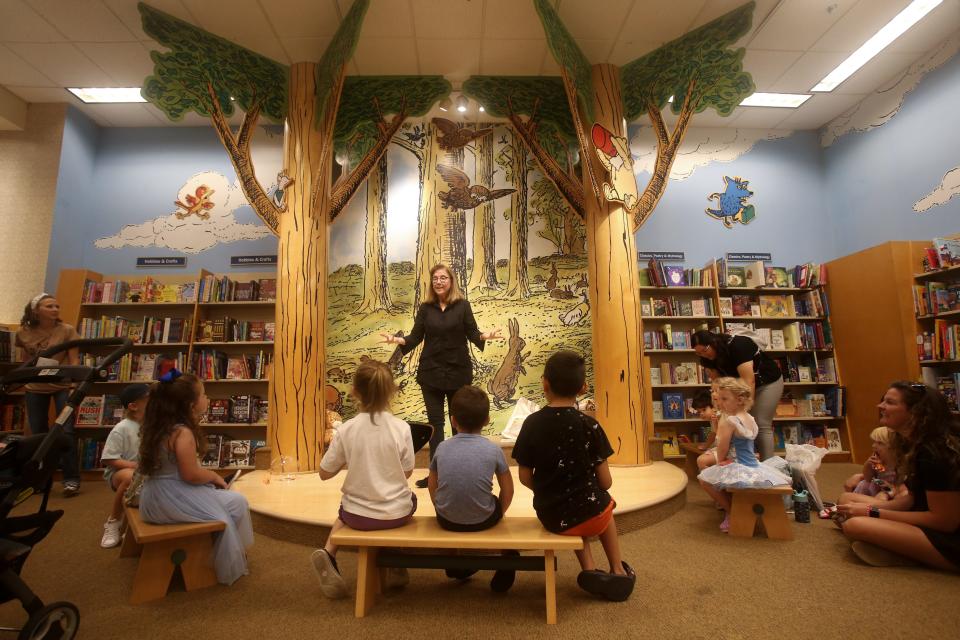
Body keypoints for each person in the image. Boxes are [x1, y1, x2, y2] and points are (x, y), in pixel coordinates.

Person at [512, 350, 636, 602]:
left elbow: (525, 476)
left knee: (577, 506)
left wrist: (548, 489)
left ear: (544, 383)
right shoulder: (589, 425)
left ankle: (589, 569)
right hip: (591, 515)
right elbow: (606, 482)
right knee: (603, 504)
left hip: (552, 516)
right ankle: (618, 569)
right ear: (583, 388)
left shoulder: (531, 423)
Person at [382, 263, 502, 488]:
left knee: (458, 425)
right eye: (435, 278)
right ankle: (435, 476)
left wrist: (486, 335)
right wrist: (398, 341)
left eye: (443, 278)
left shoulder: (463, 306)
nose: (438, 281)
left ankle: (460, 472)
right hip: (431, 374)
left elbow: (473, 333)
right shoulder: (426, 308)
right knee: (435, 426)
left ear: (451, 281)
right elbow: (415, 336)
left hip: (458, 372)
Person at [312, 359, 416, 599]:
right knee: (409, 498)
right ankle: (396, 563)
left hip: (356, 516)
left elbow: (324, 473)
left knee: (344, 510)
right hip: (396, 515)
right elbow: (408, 472)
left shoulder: (346, 429)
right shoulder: (401, 428)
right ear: (391, 391)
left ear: (354, 392)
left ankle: (329, 553)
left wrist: (352, 460)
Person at [137, 370, 253, 585]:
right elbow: (190, 474)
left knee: (229, 502)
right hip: (173, 499)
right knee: (236, 503)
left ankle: (218, 551)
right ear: (190, 405)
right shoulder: (182, 433)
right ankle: (222, 558)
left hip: (153, 498)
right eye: (203, 394)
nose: (207, 398)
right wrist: (213, 477)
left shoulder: (156, 428)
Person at [837, 382, 960, 570]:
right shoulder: (912, 443)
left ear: (915, 412)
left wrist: (873, 512)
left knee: (856, 525)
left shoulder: (936, 453)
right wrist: (867, 507)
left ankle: (909, 555)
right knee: (848, 501)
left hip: (949, 537)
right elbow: (911, 499)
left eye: (890, 402)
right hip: (921, 514)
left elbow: (945, 522)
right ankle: (897, 547)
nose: (880, 406)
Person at [428, 385, 515, 591]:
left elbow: (432, 485)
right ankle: (508, 559)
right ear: (486, 420)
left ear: (453, 420)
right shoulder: (493, 449)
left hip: (446, 520)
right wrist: (499, 514)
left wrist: (441, 507)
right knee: (491, 498)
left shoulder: (441, 447)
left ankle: (457, 564)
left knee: (454, 496)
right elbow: (508, 490)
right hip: (484, 519)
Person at [697, 377, 791, 533]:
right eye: (719, 398)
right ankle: (736, 509)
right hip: (754, 466)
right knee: (717, 478)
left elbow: (722, 447)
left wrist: (721, 461)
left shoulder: (731, 421)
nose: (720, 402)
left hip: (740, 466)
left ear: (740, 400)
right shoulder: (750, 418)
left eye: (725, 399)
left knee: (705, 480)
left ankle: (731, 510)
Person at [15, 293, 82, 497]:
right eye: (49, 306)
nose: (55, 309)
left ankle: (71, 479)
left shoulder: (67, 330)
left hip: (61, 386)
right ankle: (41, 480)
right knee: (38, 433)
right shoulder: (23, 333)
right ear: (36, 310)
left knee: (65, 431)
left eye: (57, 306)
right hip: (35, 387)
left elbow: (74, 360)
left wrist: (75, 385)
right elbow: (25, 361)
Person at [692, 329, 784, 461]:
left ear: (713, 342)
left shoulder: (738, 345)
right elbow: (718, 384)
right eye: (698, 353)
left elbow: (748, 381)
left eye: (705, 350)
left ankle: (768, 465)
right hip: (740, 389)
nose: (703, 355)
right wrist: (720, 407)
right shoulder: (706, 358)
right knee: (732, 421)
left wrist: (744, 409)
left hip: (767, 383)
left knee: (760, 422)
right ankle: (744, 459)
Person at [99, 383, 149, 548]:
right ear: (133, 406)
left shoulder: (151, 425)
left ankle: (140, 523)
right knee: (130, 478)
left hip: (144, 472)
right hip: (118, 473)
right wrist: (134, 466)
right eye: (148, 399)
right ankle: (113, 521)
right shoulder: (121, 428)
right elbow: (108, 459)